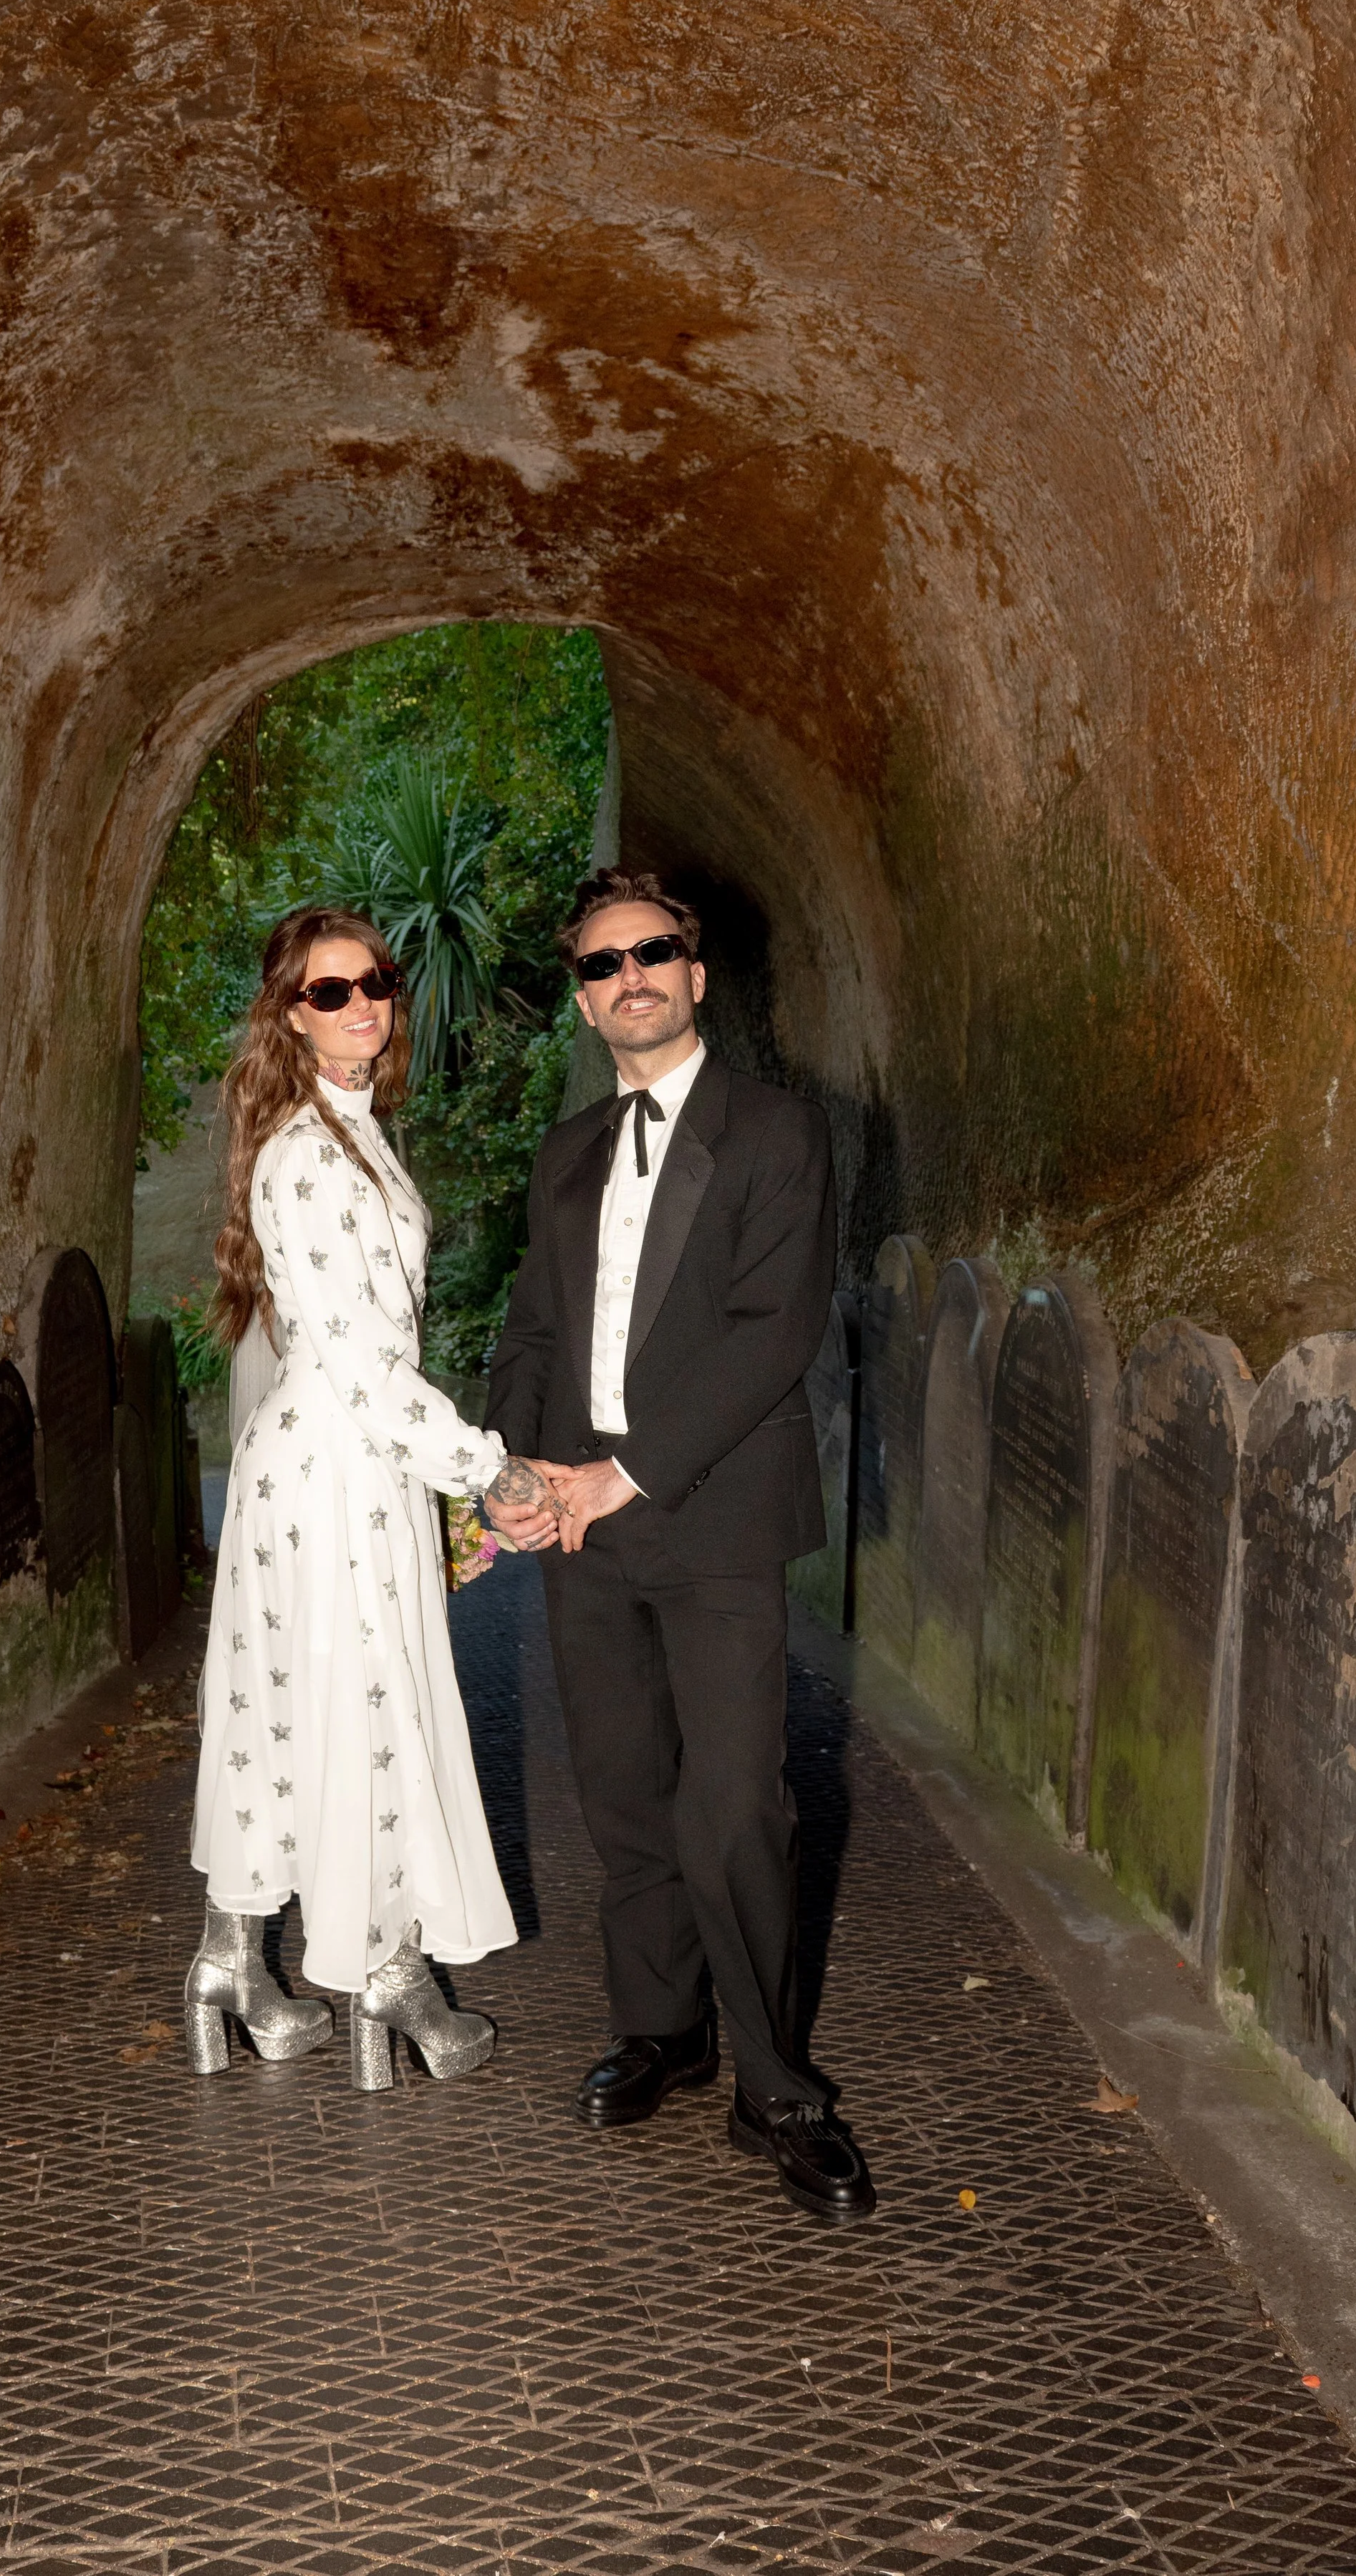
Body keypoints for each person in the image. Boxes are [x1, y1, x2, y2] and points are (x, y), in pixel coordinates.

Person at [484, 866, 876, 2221]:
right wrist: (510, 1472)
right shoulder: (566, 1154)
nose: (630, 977)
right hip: (578, 1529)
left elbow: (774, 1332)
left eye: (650, 953)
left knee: (737, 1807)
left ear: (695, 976)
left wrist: (623, 1478)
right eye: (602, 965)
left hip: (711, 1521)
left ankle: (777, 2088)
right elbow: (533, 1327)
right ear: (584, 1003)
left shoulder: (777, 1131)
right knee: (622, 1793)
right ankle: (663, 2027)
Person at [188, 905, 543, 2090]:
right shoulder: (304, 1152)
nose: (363, 1006)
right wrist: (485, 1468)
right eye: (329, 991)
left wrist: (435, 1473)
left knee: (299, 1709)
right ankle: (385, 1977)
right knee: (364, 1709)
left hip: (352, 1461)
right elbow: (356, 1359)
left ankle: (232, 1964)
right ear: (290, 1016)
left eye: (376, 982)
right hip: (334, 1468)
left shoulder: (355, 1131)